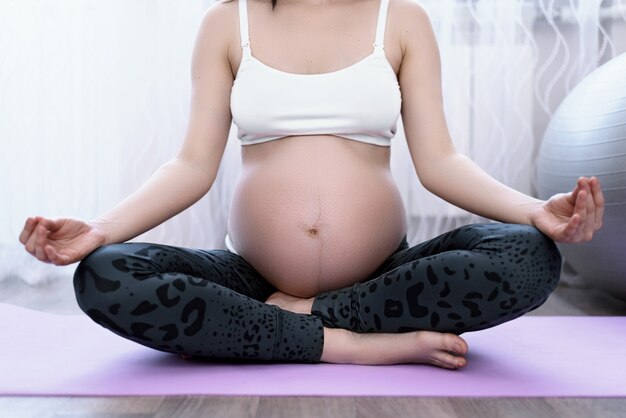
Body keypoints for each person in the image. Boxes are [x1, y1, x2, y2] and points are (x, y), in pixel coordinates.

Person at [19, 0, 603, 370]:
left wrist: (534, 211)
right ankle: (343, 340)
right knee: (105, 274)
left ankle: (310, 314)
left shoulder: (401, 19)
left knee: (529, 257)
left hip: (383, 275)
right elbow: (191, 166)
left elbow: (441, 162)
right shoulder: (228, 21)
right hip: (252, 277)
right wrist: (99, 229)